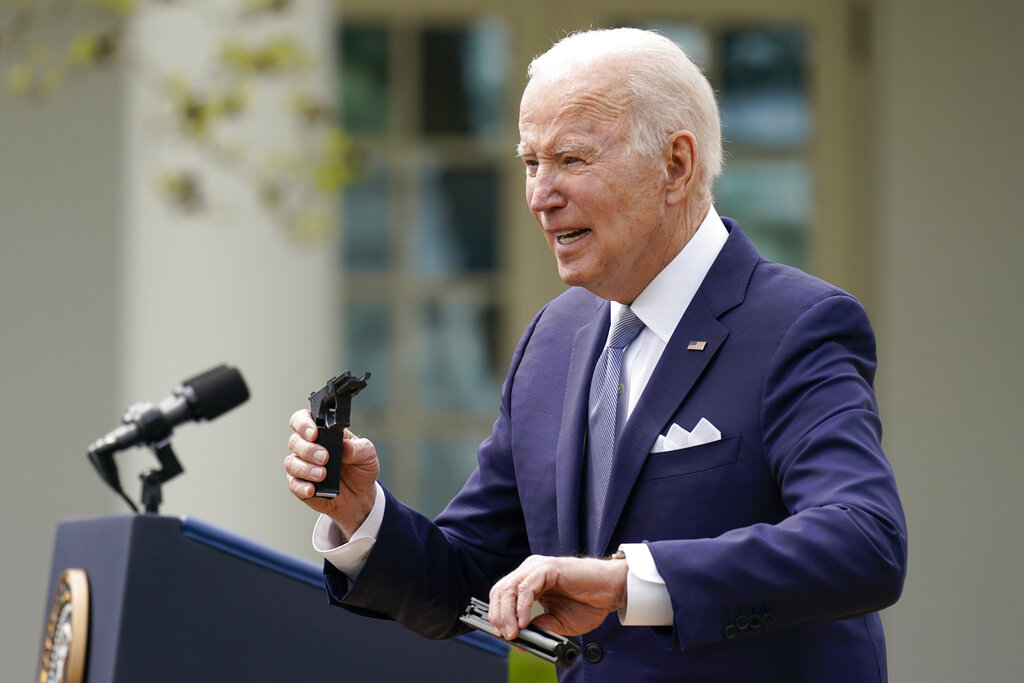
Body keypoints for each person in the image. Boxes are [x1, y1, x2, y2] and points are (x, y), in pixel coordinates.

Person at [285, 27, 907, 682]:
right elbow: (467, 577)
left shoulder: (797, 325)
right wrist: (360, 515)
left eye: (572, 160)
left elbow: (863, 541)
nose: (539, 195)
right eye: (531, 162)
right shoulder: (552, 340)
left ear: (676, 165)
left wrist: (626, 582)